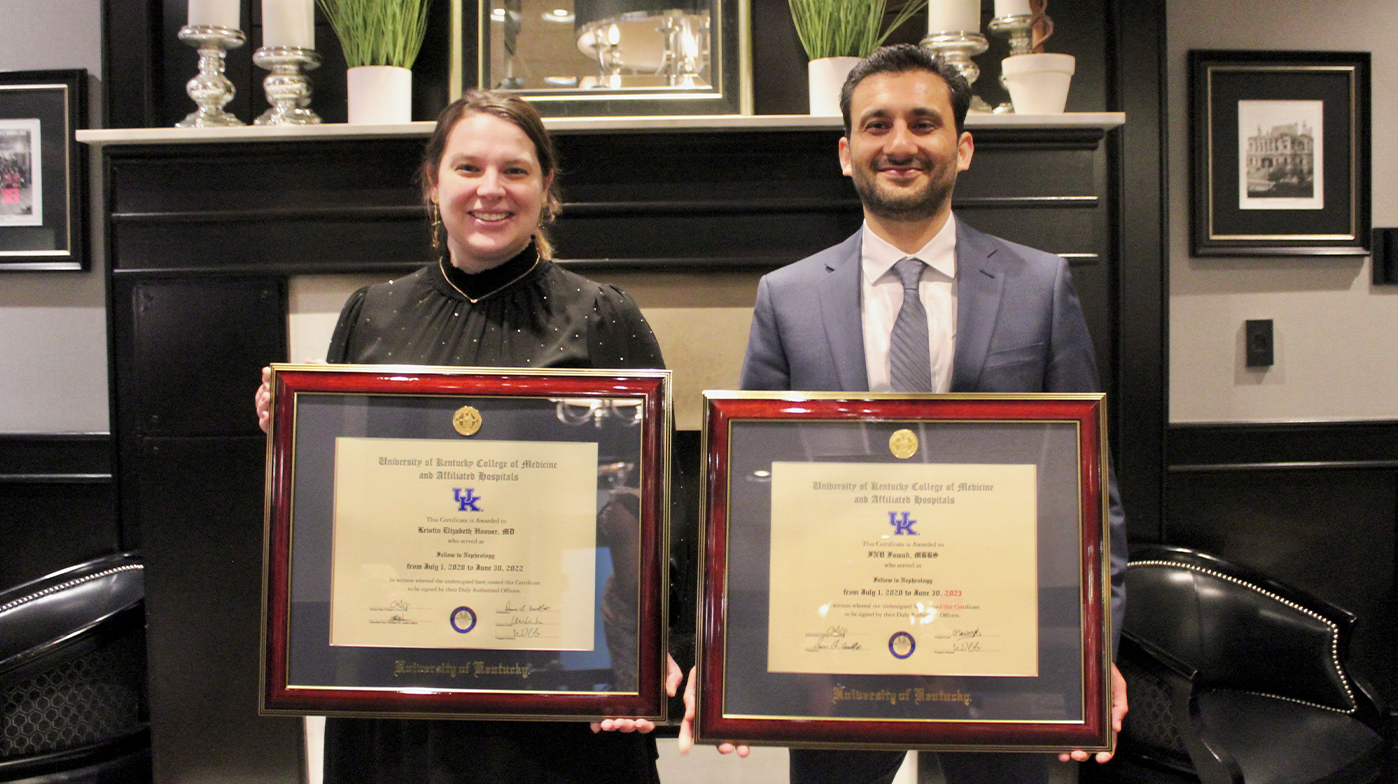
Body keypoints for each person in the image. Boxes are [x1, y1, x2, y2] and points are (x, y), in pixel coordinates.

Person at [254, 89, 680, 783]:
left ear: (546, 187)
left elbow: (653, 498)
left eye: (515, 170)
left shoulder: (602, 314)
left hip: (558, 665)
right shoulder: (372, 313)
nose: (491, 189)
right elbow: (337, 503)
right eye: (468, 168)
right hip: (401, 662)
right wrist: (291, 436)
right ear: (433, 183)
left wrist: (648, 639)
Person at [730, 44, 1129, 784]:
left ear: (963, 146)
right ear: (846, 151)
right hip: (835, 649)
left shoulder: (1039, 286)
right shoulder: (786, 298)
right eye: (877, 125)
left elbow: (1088, 493)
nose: (901, 144)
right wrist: (747, 661)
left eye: (924, 122)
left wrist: (1092, 654)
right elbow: (753, 499)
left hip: (1002, 646)